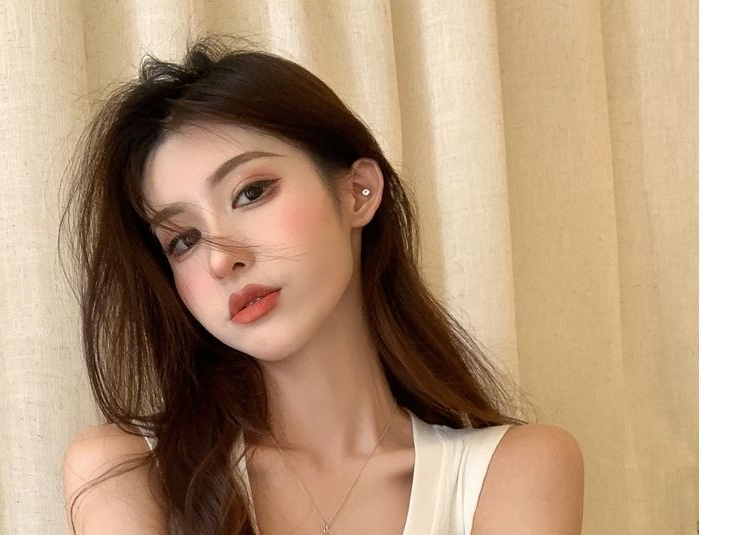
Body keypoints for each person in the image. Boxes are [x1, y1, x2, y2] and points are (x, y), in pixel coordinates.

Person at [60, 35, 584, 535]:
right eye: (183, 240)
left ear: (359, 191)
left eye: (251, 193)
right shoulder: (128, 473)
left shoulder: (510, 472)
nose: (221, 259)